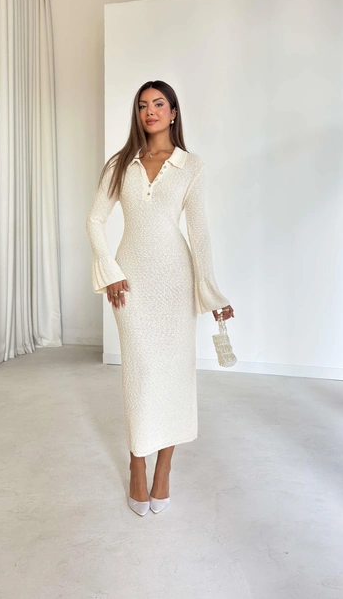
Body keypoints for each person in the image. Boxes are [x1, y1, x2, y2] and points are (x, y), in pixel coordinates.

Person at [85, 80, 234, 516]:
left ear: (173, 112)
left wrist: (211, 292)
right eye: (142, 105)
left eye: (158, 104)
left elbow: (199, 233)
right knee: (141, 371)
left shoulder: (191, 166)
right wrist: (110, 271)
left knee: (173, 373)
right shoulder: (120, 164)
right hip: (130, 281)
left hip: (175, 281)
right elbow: (95, 220)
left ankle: (164, 468)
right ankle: (137, 462)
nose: (149, 111)